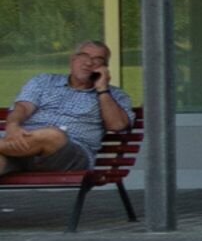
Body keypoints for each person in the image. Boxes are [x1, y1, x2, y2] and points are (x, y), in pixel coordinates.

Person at [0, 40, 133, 172]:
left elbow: (117, 126)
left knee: (52, 135)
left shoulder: (114, 96)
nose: (88, 63)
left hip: (70, 155)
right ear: (72, 59)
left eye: (97, 59)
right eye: (84, 56)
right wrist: (12, 125)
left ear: (104, 68)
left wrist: (102, 89)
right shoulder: (43, 81)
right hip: (23, 150)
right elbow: (22, 108)